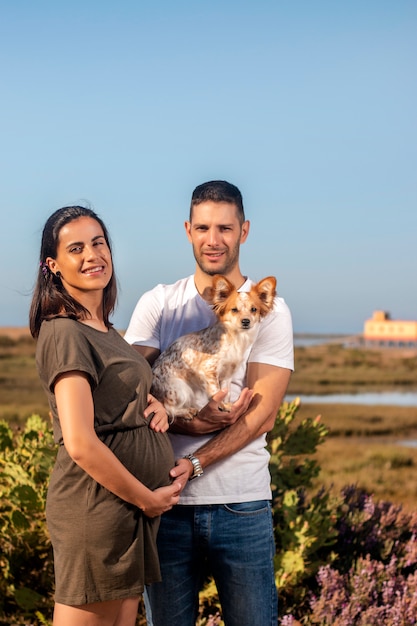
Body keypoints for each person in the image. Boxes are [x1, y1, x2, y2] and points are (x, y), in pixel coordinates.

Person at [124, 180, 294, 626]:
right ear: (187, 230)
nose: (213, 239)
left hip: (242, 504)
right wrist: (187, 423)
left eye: (225, 227)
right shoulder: (158, 304)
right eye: (202, 227)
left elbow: (262, 415)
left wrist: (196, 462)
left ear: (244, 230)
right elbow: (126, 391)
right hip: (165, 502)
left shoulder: (268, 309)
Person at [29, 205, 182, 626]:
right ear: (53, 265)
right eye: (75, 248)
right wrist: (147, 499)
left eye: (98, 243)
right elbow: (79, 442)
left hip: (126, 512)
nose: (92, 255)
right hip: (97, 509)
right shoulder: (64, 331)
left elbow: (117, 400)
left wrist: (156, 407)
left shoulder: (104, 329)